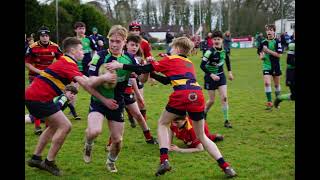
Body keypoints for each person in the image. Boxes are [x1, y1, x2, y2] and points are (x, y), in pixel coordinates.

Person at [106, 37, 237, 178]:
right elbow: (167, 80)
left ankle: (164, 161)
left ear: (178, 48)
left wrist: (121, 66)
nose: (170, 50)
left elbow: (144, 69)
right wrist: (155, 71)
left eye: (172, 47)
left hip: (181, 94)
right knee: (203, 136)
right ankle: (226, 167)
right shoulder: (189, 62)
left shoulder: (170, 60)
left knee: (162, 123)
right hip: (197, 95)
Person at [26, 37, 116, 176]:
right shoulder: (67, 64)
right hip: (38, 98)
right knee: (65, 126)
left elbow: (86, 80)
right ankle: (49, 162)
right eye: (81, 50)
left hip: (36, 97)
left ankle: (36, 158)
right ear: (73, 50)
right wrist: (104, 89)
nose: (83, 52)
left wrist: (99, 79)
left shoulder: (67, 62)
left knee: (53, 126)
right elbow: (87, 85)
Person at [82, 25, 137, 173]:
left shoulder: (130, 59)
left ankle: (111, 161)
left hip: (117, 103)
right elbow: (89, 82)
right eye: (111, 40)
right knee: (94, 131)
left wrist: (147, 70)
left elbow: (142, 78)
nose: (114, 44)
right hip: (99, 101)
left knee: (118, 140)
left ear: (124, 41)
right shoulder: (99, 56)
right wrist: (103, 77)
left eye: (118, 41)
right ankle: (88, 144)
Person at [106, 34, 158, 151]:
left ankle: (149, 138)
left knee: (138, 115)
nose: (134, 47)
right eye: (132, 45)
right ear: (125, 44)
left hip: (128, 91)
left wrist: (147, 69)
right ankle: (110, 143)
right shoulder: (117, 57)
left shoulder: (134, 59)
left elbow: (139, 79)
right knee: (117, 119)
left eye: (136, 45)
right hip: (116, 93)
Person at [25, 26, 80, 134]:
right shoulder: (32, 47)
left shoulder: (55, 47)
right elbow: (27, 62)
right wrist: (38, 71)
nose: (44, 38)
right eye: (42, 35)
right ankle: (37, 127)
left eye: (46, 35)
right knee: (37, 100)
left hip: (50, 77)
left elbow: (63, 60)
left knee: (49, 101)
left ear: (49, 36)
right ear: (39, 36)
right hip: (35, 76)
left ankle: (47, 125)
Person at [200, 30, 234, 128]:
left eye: (218, 39)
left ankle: (226, 120)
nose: (216, 41)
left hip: (221, 76)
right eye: (214, 39)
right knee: (211, 100)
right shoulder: (209, 52)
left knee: (224, 97)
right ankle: (204, 112)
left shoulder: (224, 51)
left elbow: (227, 60)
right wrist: (211, 75)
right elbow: (202, 65)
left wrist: (230, 72)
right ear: (212, 40)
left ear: (222, 40)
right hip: (210, 77)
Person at [128, 21, 154, 123]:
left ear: (140, 31)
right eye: (132, 30)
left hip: (139, 73)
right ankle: (130, 114)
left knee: (140, 99)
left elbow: (149, 59)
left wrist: (151, 75)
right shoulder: (125, 42)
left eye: (137, 30)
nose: (135, 32)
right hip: (126, 73)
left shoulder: (145, 43)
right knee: (127, 98)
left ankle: (143, 120)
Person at [257, 24, 283, 110]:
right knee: (267, 83)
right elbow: (259, 52)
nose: (269, 31)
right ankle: (269, 103)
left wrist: (268, 51)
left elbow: (279, 55)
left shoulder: (277, 41)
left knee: (276, 85)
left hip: (275, 66)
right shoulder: (263, 42)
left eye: (271, 30)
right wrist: (261, 56)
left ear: (274, 31)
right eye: (268, 30)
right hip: (266, 66)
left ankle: (277, 102)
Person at [274, 32, 295, 108]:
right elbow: (289, 60)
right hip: (292, 73)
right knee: (294, 96)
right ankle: (279, 98)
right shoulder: (292, 44)